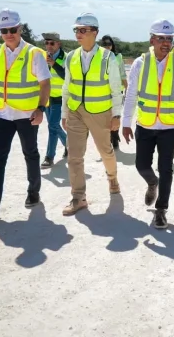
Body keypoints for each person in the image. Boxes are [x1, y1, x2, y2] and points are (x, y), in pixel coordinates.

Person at [0, 9, 50, 217]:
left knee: (30, 154)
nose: (9, 34)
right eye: (4, 30)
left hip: (27, 114)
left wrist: (41, 109)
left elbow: (45, 84)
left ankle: (33, 193)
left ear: (20, 29)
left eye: (12, 29)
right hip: (1, 114)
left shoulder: (34, 53)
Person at [122, 20, 174, 229]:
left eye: (169, 39)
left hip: (169, 126)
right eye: (161, 38)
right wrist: (126, 122)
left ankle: (161, 210)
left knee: (166, 169)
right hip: (145, 124)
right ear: (152, 40)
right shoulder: (140, 63)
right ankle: (152, 182)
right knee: (141, 165)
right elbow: (131, 94)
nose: (166, 43)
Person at [60, 12, 123, 216]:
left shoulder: (108, 57)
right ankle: (78, 197)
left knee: (106, 151)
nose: (78, 33)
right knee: (74, 156)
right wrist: (64, 113)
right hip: (75, 111)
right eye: (76, 30)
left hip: (100, 112)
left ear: (95, 32)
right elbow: (66, 87)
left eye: (83, 30)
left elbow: (116, 89)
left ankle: (112, 178)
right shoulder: (71, 56)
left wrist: (116, 115)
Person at [40, 32, 68, 169]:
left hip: (60, 98)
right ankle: (68, 144)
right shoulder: (42, 57)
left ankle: (49, 157)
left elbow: (66, 76)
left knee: (52, 126)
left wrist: (54, 64)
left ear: (58, 44)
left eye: (52, 43)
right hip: (46, 97)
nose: (49, 46)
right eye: (46, 43)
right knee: (54, 125)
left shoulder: (66, 58)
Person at [100, 34, 128, 150]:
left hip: (116, 90)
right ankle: (109, 138)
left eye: (109, 44)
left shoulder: (118, 57)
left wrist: (127, 88)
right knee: (105, 116)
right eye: (105, 44)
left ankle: (115, 137)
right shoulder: (97, 57)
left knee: (115, 114)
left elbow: (122, 73)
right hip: (103, 91)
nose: (107, 46)